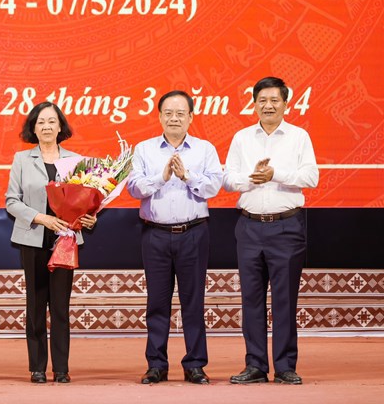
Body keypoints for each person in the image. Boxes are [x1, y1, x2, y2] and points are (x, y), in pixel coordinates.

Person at [224, 76, 319, 385]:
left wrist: (275, 173)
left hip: (286, 226)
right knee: (250, 299)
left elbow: (311, 177)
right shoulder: (241, 138)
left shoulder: (299, 137)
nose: (268, 105)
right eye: (262, 100)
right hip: (249, 226)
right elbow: (229, 180)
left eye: (274, 100)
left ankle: (286, 365)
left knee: (284, 299)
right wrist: (254, 179)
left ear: (286, 104)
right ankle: (255, 365)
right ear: (254, 104)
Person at [127, 90, 223, 385]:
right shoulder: (144, 149)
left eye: (180, 113)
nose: (174, 118)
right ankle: (156, 363)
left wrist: (187, 176)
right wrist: (162, 177)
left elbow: (214, 187)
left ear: (191, 117)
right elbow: (133, 187)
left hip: (193, 233)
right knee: (157, 302)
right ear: (159, 116)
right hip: (155, 235)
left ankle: (195, 364)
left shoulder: (205, 149)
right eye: (168, 113)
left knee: (193, 301)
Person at [5, 101, 97, 384]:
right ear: (34, 127)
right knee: (35, 304)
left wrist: (89, 218)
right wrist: (41, 218)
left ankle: (61, 369)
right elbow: (11, 201)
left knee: (60, 306)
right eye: (40, 122)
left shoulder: (75, 161)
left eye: (51, 121)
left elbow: (85, 203)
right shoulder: (22, 159)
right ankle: (36, 367)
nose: (46, 126)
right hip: (33, 240)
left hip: (65, 241)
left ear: (61, 126)